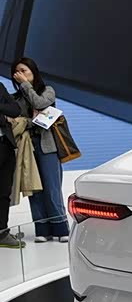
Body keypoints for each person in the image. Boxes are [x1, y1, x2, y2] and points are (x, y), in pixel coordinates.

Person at [11, 57, 70, 243]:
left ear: (33, 72)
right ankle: (42, 229)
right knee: (34, 189)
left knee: (52, 187)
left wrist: (26, 86)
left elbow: (39, 104)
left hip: (47, 146)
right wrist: (31, 120)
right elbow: (17, 121)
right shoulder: (15, 98)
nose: (21, 74)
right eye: (17, 72)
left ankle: (61, 227)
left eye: (24, 70)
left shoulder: (48, 91)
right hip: (26, 147)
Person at [0, 82, 22, 249]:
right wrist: (3, 117)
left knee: (4, 192)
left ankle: (2, 232)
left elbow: (15, 110)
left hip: (5, 145)